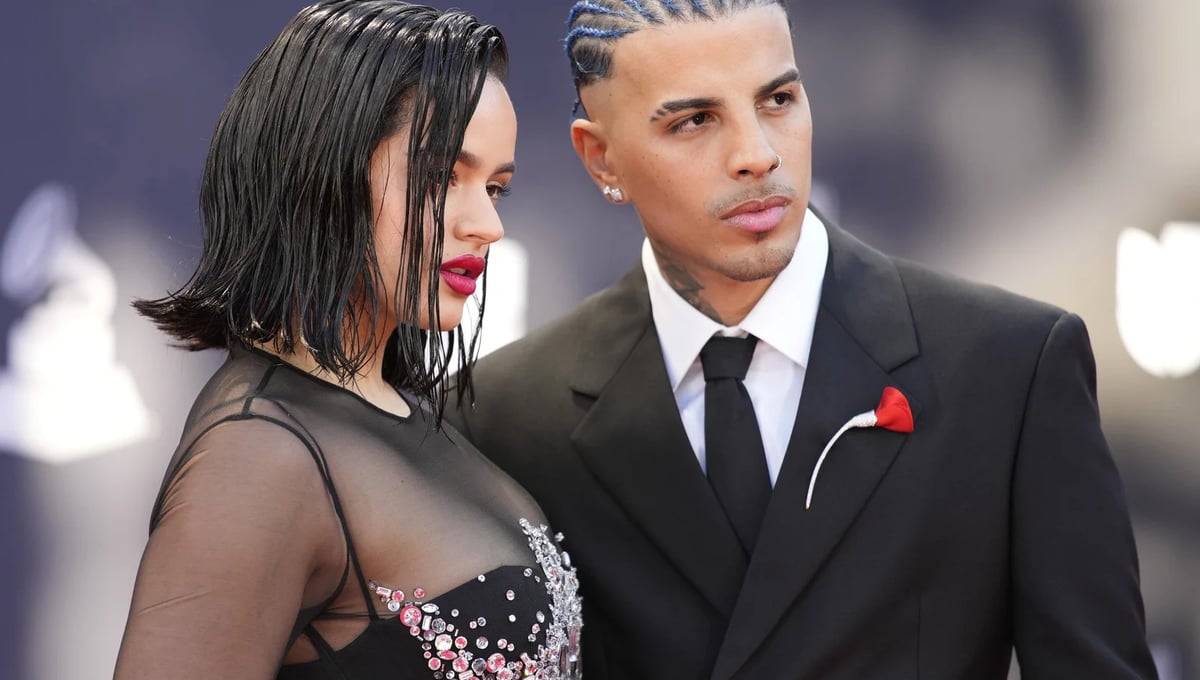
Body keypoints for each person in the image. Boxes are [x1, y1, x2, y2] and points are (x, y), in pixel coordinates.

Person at [447, 1, 1157, 678]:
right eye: (695, 121)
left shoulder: (1009, 368)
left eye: (778, 100)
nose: (756, 155)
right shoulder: (503, 415)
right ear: (601, 158)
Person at [114, 2, 582, 678]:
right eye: (443, 177)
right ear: (321, 171)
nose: (487, 224)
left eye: (496, 188)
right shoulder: (259, 455)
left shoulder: (403, 413)